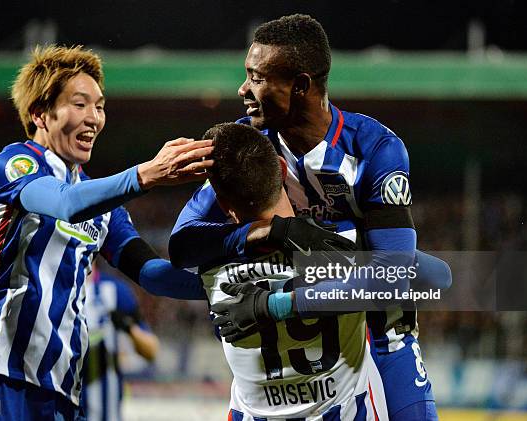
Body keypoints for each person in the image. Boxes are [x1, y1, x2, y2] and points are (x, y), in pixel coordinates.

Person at [170, 15, 448, 421]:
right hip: (306, 359)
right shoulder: (251, 146)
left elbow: (395, 276)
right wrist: (268, 231)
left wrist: (275, 305)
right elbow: (184, 243)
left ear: (300, 86)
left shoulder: (375, 149)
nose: (242, 89)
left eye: (256, 77)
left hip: (381, 340)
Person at [0, 45, 209, 420]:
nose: (94, 118)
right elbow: (66, 203)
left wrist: (225, 285)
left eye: (100, 106)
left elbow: (152, 274)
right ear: (40, 113)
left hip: (63, 398)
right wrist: (145, 174)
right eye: (80, 104)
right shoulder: (14, 164)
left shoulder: (105, 209)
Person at [201, 122, 388, 420]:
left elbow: (155, 276)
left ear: (224, 205)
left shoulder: (212, 269)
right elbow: (431, 275)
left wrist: (271, 305)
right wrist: (278, 305)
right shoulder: (344, 245)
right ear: (282, 168)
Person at [82, 263, 158, 421]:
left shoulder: (116, 291)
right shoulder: (55, 290)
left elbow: (152, 350)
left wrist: (128, 327)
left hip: (106, 411)